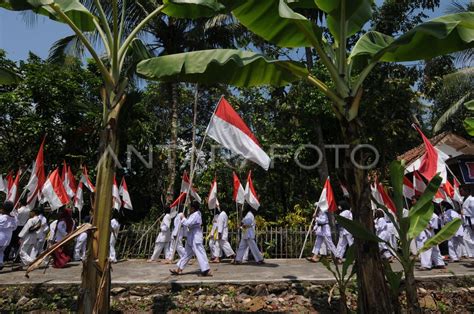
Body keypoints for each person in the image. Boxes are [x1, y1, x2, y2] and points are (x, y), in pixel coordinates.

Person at [170, 201, 212, 276]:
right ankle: (179, 269)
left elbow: (188, 223)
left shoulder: (197, 214)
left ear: (193, 208)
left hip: (196, 236)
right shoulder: (193, 214)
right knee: (186, 254)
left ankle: (206, 269)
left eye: (190, 207)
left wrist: (183, 218)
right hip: (191, 236)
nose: (189, 209)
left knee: (200, 252)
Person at [0, 201, 17, 270]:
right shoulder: (14, 218)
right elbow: (14, 228)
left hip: (1, 237)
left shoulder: (1, 217)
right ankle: (0, 263)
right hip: (7, 239)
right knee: (1, 252)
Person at [462, 188, 474, 258]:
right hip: (467, 222)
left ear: (467, 191)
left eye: (462, 190)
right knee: (466, 238)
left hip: (472, 222)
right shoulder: (465, 200)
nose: (461, 192)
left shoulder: (471, 200)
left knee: (466, 238)